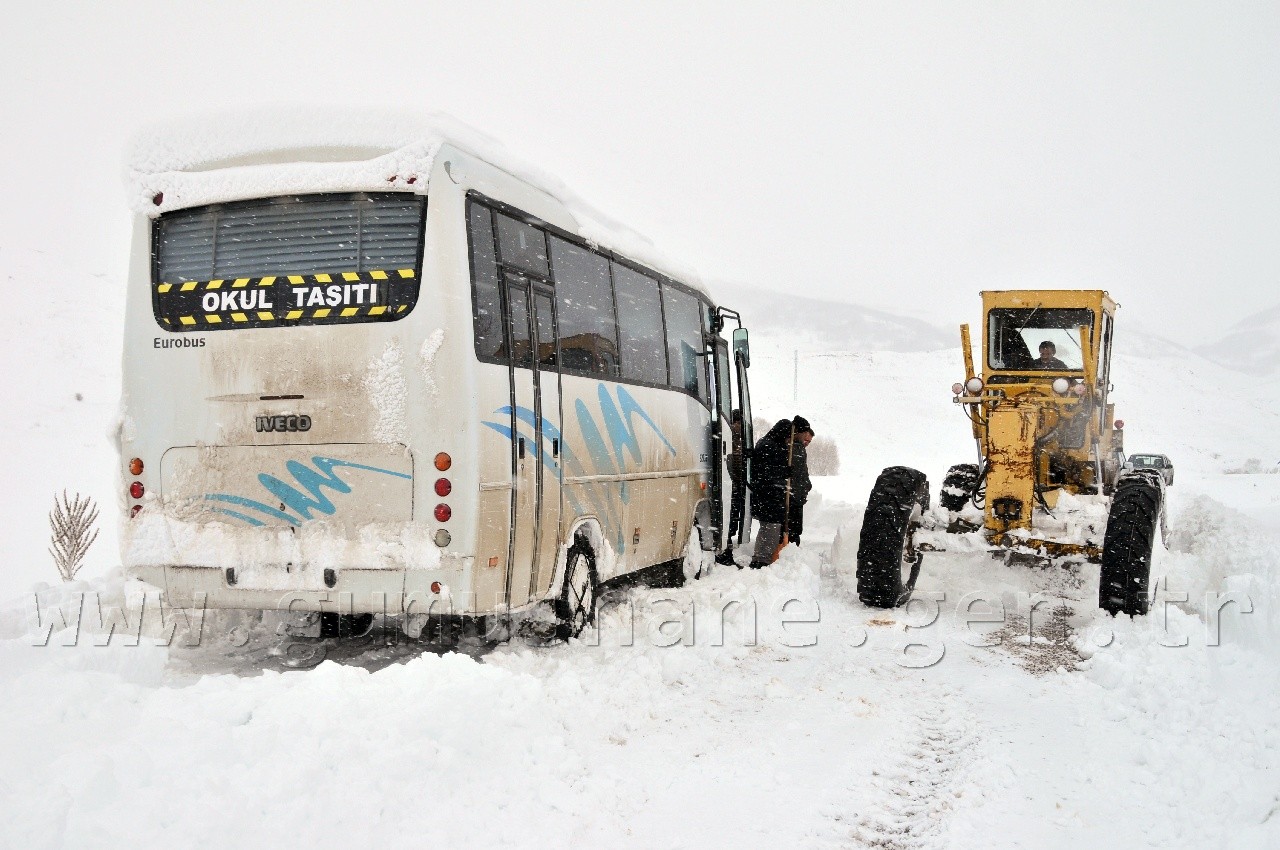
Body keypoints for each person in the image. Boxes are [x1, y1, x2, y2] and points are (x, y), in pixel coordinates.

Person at [748, 416, 815, 568]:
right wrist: (784, 472)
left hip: (769, 498)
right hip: (767, 498)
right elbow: (765, 473)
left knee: (771, 529)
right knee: (769, 529)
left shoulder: (771, 445)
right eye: (787, 437)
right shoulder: (769, 446)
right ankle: (760, 561)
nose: (788, 440)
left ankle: (763, 559)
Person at [716, 410, 747, 565]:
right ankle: (725, 551)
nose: (738, 427)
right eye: (737, 423)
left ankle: (727, 547)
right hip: (730, 484)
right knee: (729, 519)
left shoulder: (740, 440)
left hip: (736, 484)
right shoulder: (727, 438)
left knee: (733, 519)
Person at [787, 417, 814, 544]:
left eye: (809, 441)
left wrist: (807, 485)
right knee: (793, 529)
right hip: (793, 496)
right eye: (806, 439)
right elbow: (798, 474)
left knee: (795, 528)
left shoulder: (799, 450)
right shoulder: (795, 448)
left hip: (796, 495)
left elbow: (803, 473)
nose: (806, 442)